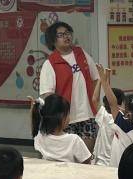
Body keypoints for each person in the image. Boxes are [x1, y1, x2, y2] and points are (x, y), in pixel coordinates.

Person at [38, 21, 100, 153]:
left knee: (87, 155)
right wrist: (57, 117)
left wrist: (95, 104)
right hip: (65, 119)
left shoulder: (81, 53)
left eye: (67, 33)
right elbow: (47, 95)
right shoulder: (50, 63)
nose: (66, 37)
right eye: (61, 35)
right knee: (68, 155)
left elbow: (96, 78)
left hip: (88, 115)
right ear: (53, 40)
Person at [31, 94, 91, 164]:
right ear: (62, 117)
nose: (69, 118)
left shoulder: (40, 136)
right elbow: (87, 162)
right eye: (68, 114)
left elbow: (34, 127)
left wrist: (32, 111)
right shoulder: (74, 140)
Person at [92, 66, 126, 166]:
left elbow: (95, 99)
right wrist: (103, 78)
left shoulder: (104, 115)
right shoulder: (123, 118)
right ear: (121, 102)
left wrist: (101, 79)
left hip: (101, 162)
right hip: (115, 163)